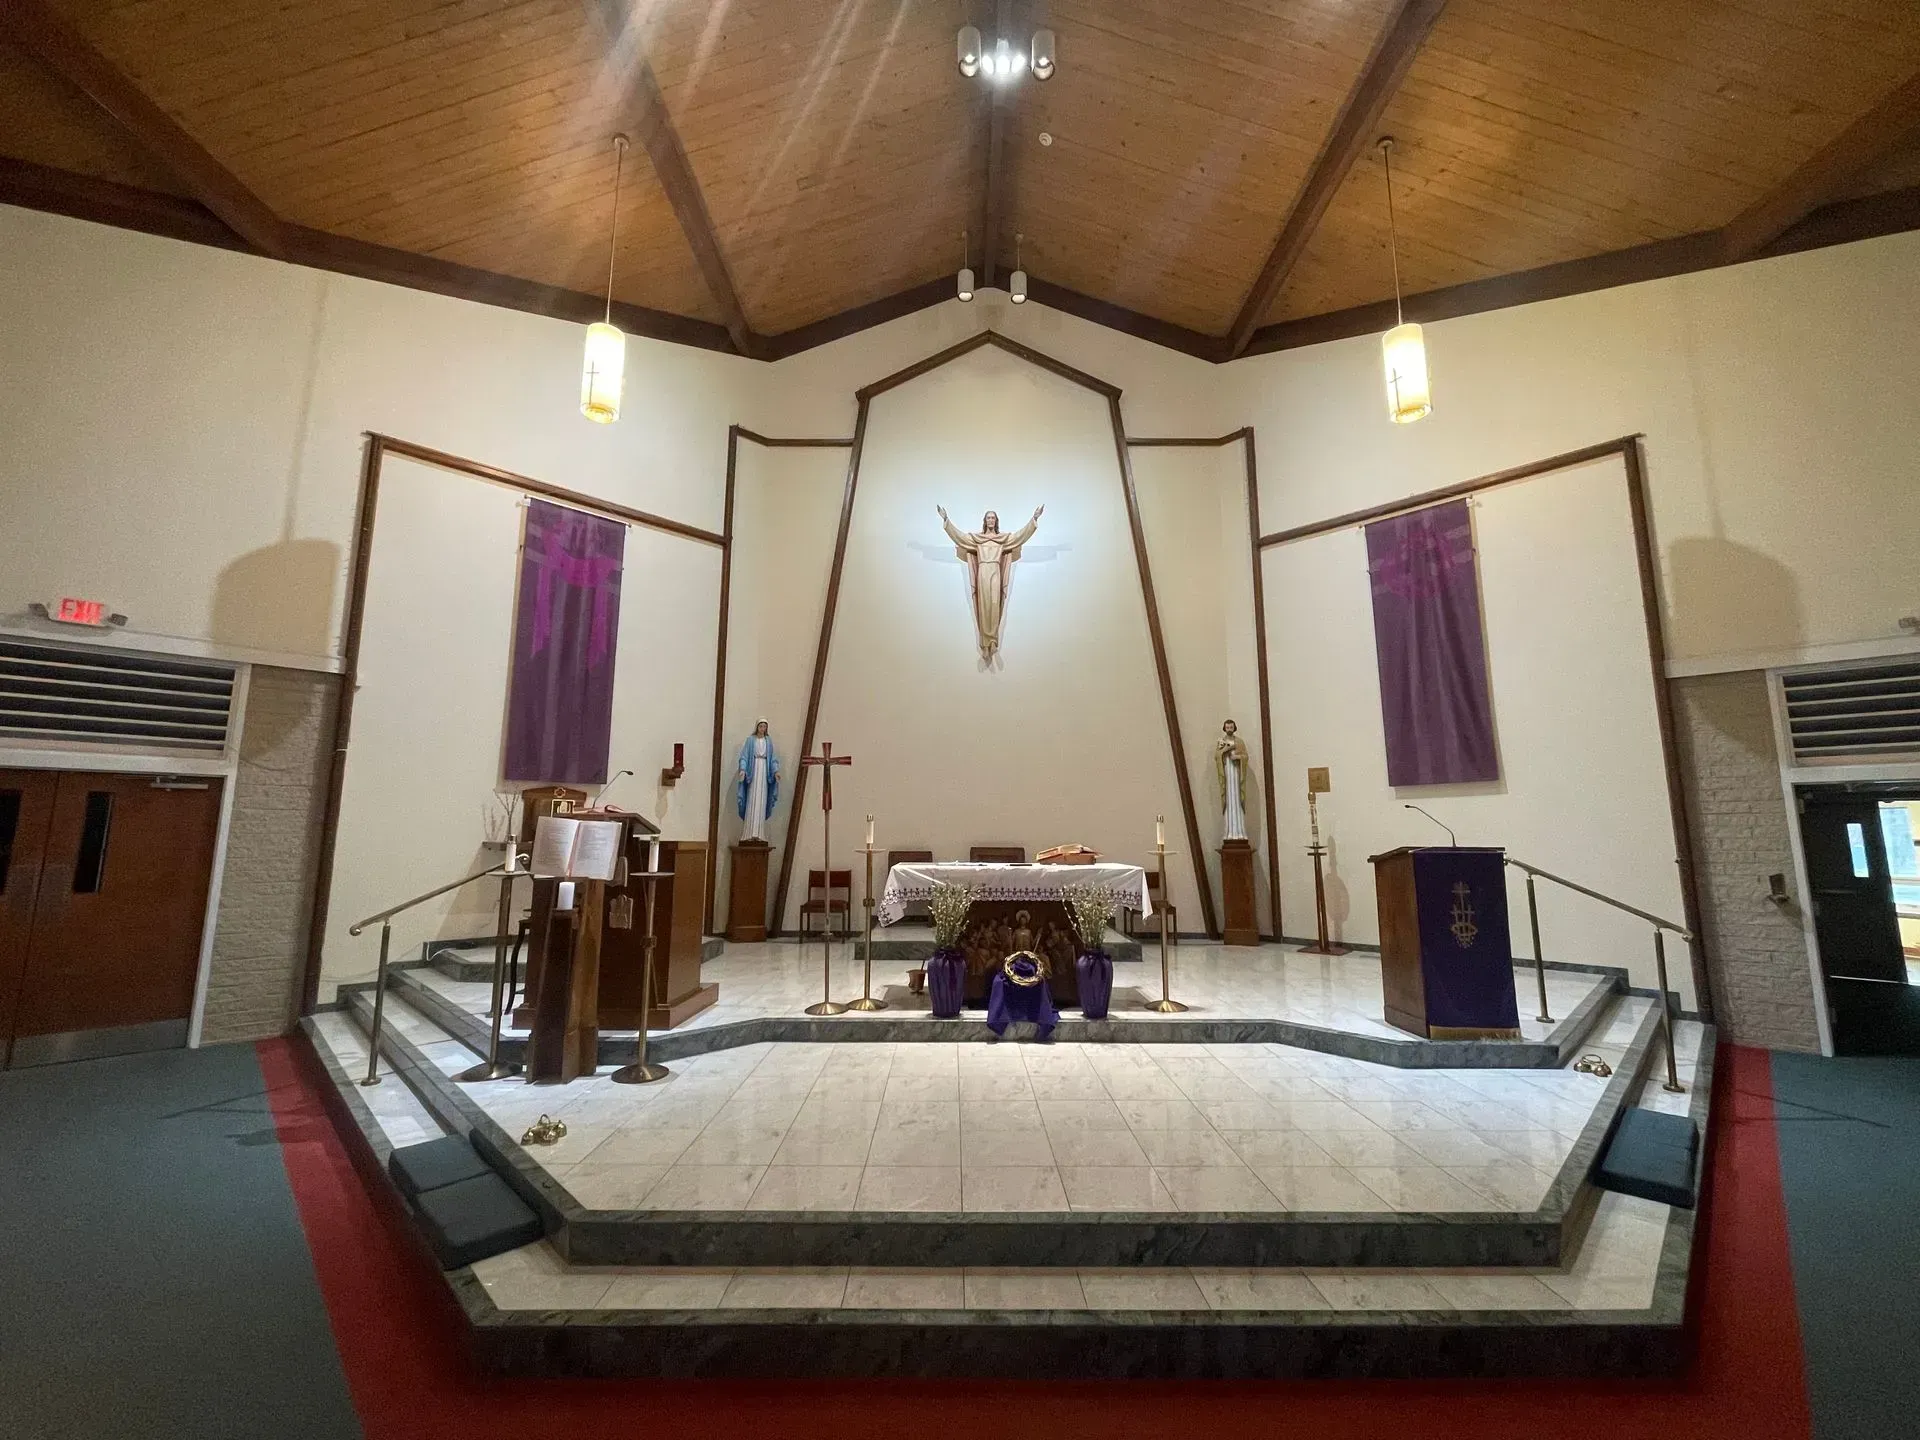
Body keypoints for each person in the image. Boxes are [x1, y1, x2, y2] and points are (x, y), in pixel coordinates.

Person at [938, 504, 1044, 662]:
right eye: (988, 517)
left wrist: (1034, 518)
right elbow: (959, 537)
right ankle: (984, 642)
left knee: (994, 604)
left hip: (995, 570)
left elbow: (1021, 536)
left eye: (993, 517)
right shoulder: (977, 540)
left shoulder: (1003, 539)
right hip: (982, 571)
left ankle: (992, 640)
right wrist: (946, 519)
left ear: (996, 521)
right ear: (984, 521)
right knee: (984, 604)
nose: (991, 520)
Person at [735, 719, 779, 842]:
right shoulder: (750, 740)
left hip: (764, 772)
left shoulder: (768, 742)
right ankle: (748, 833)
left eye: (765, 726)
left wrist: (775, 771)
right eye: (761, 726)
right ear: (757, 727)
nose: (762, 728)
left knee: (761, 801)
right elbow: (744, 757)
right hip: (753, 772)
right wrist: (743, 770)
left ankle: (760, 833)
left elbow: (773, 759)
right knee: (752, 799)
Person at [1215, 719, 1252, 843]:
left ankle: (1240, 831)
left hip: (1236, 774)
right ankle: (1229, 832)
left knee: (1236, 800)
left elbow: (1245, 756)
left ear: (1234, 727)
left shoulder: (1239, 742)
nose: (1229, 728)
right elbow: (1217, 756)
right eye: (1227, 727)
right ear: (1224, 728)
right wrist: (1224, 751)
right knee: (1229, 801)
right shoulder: (1221, 742)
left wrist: (1238, 757)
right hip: (1227, 774)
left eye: (1231, 726)